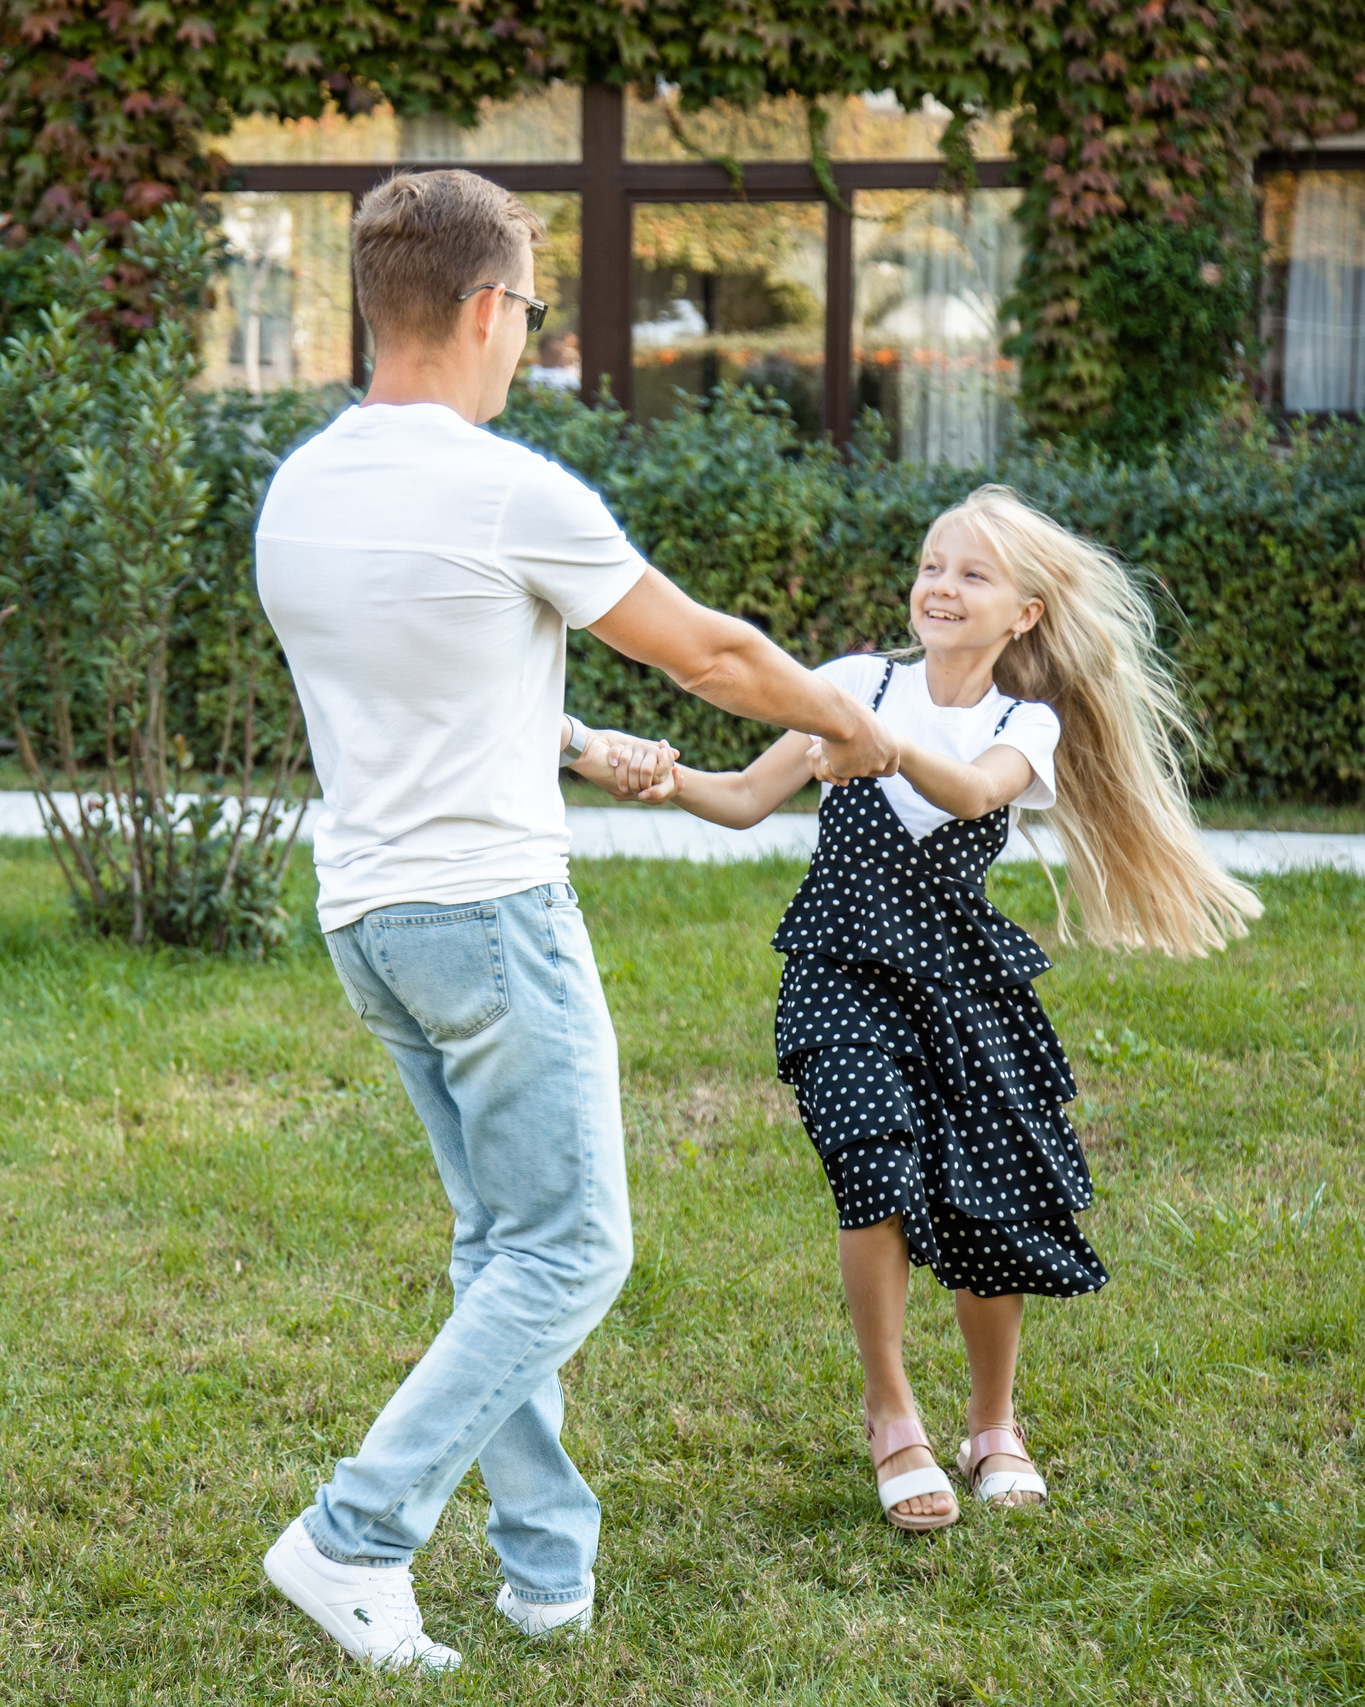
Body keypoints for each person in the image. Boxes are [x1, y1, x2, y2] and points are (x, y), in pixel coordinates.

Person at [252, 168, 898, 1672]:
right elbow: (720, 656)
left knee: (504, 1246)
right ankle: (354, 1532)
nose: (526, 336)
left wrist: (566, 738)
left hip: (374, 921)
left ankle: (546, 1570)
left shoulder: (308, 486)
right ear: (488, 308)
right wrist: (846, 721)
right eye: (531, 309)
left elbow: (416, 674)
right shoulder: (501, 484)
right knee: (575, 1250)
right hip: (488, 918)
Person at [637, 485, 1261, 1532]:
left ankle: (992, 1424)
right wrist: (661, 777)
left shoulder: (1028, 724)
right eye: (932, 565)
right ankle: (894, 1419)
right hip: (839, 966)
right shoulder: (851, 682)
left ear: (1023, 612)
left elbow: (974, 793)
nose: (940, 586)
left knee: (991, 1197)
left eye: (972, 574)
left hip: (960, 977)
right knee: (871, 1162)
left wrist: (873, 744)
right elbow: (746, 798)